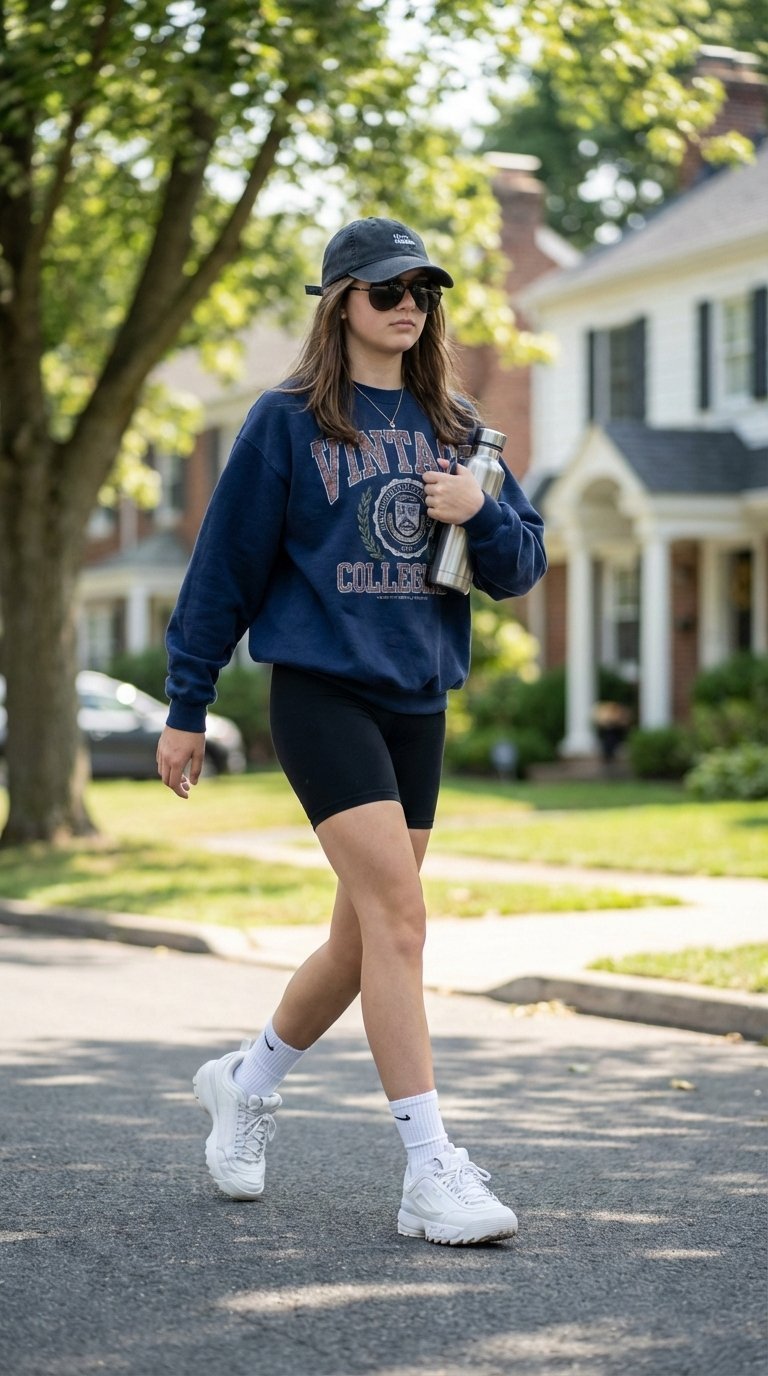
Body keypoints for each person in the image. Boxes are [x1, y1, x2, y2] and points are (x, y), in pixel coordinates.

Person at [156, 216, 547, 1246]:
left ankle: (244, 1081)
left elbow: (519, 568)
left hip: (419, 697)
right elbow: (222, 570)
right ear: (341, 304)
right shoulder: (286, 422)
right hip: (321, 691)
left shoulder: (459, 425)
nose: (408, 303)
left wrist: (481, 507)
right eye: (386, 290)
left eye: (422, 288)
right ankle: (430, 1169)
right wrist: (187, 704)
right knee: (404, 919)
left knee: (358, 934)